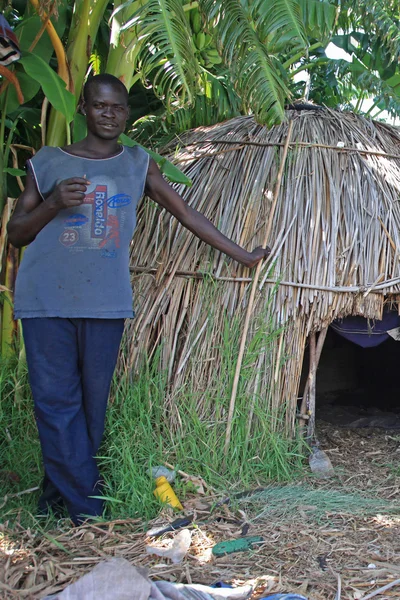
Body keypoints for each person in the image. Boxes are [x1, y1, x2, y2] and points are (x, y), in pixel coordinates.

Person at [7, 74, 270, 525]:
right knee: (55, 402)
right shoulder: (48, 161)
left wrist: (243, 254)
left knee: (90, 407)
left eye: (118, 107)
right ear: (84, 108)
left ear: (126, 113)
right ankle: (89, 511)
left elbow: (185, 212)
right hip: (45, 300)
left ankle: (56, 502)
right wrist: (52, 203)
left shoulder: (136, 162)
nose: (109, 114)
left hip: (106, 303)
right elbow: (16, 234)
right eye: (100, 106)